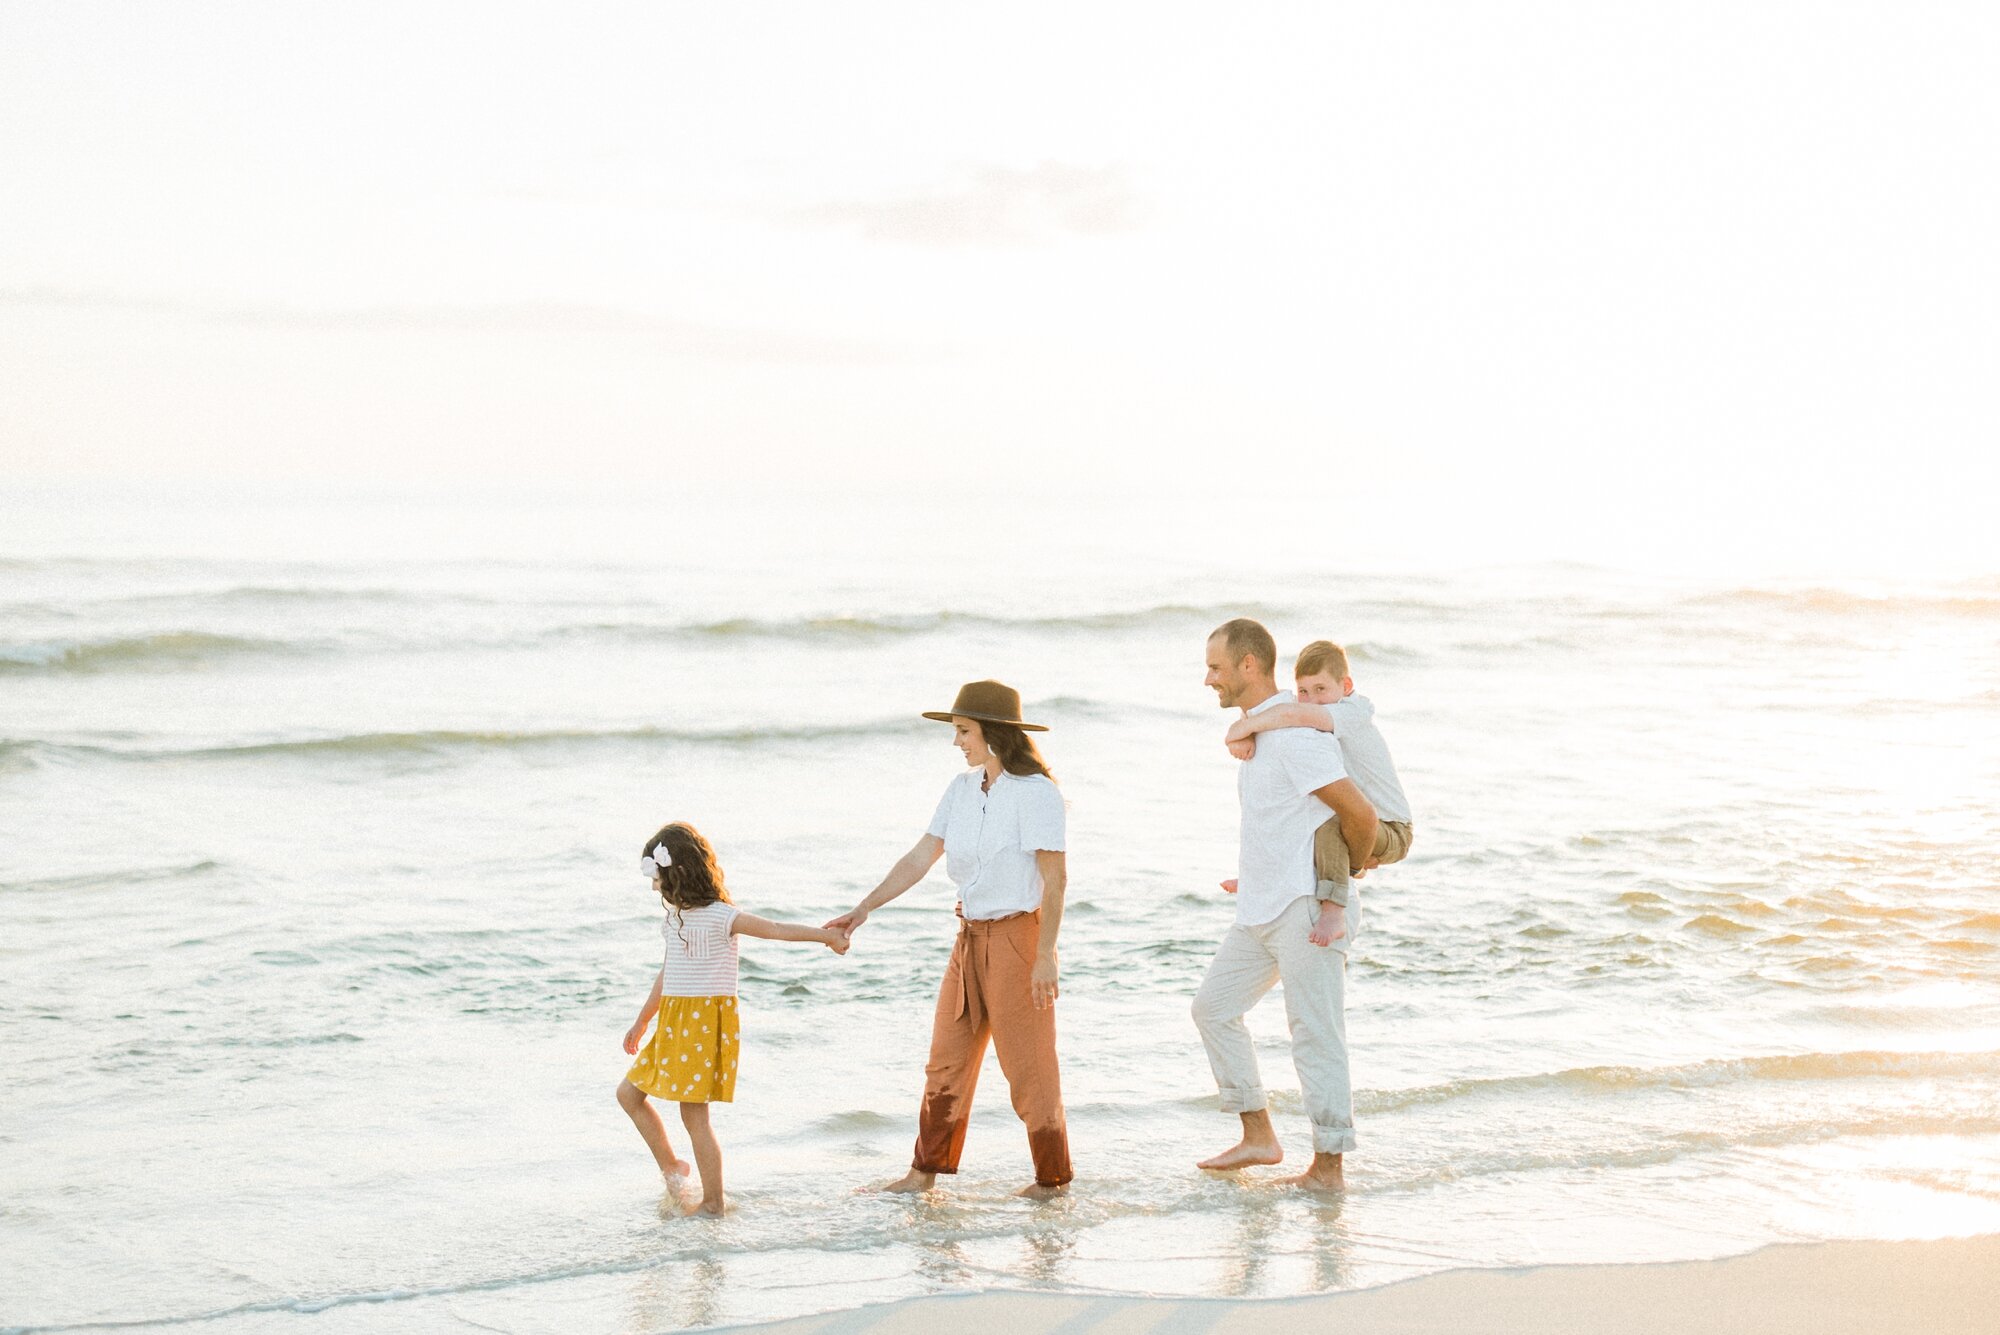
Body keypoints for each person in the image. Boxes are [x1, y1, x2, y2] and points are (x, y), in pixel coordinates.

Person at [827, 680, 1073, 1199]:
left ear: (994, 733)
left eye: (963, 731)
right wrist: (864, 907)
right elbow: (921, 856)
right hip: (967, 941)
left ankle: (1051, 1182)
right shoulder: (961, 790)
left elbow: (1055, 881)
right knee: (946, 1058)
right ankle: (924, 1174)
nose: (956, 741)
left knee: (1029, 1069)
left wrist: (1046, 954)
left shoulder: (1038, 794)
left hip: (1018, 940)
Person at [1192, 619, 1379, 1192]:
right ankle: (1259, 1136)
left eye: (1216, 668)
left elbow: (1361, 815)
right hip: (1260, 910)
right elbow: (1281, 824)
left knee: (1315, 1033)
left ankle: (1328, 1167)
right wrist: (1251, 878)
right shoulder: (1259, 735)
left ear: (1249, 666)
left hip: (1306, 909)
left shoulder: (1295, 736)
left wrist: (1344, 880)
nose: (1207, 679)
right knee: (1213, 1009)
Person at [616, 821, 849, 1216]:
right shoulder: (674, 920)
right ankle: (672, 1166)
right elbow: (668, 972)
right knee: (628, 1094)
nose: (655, 888)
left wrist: (825, 936)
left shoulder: (723, 917)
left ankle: (713, 1203)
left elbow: (775, 930)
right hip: (673, 1022)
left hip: (702, 1026)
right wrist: (642, 1021)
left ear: (679, 874)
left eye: (658, 879)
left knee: (694, 1116)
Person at [1219, 638, 1415, 945]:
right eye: (1304, 692)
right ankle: (1262, 881)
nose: (1311, 700)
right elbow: (1274, 717)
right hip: (1361, 821)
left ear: (1345, 685)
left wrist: (1240, 730)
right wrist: (1243, 735)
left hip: (1392, 828)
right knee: (1300, 810)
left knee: (1329, 824)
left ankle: (1334, 908)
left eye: (1320, 690)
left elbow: (1289, 715)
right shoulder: (1311, 712)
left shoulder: (1352, 713)